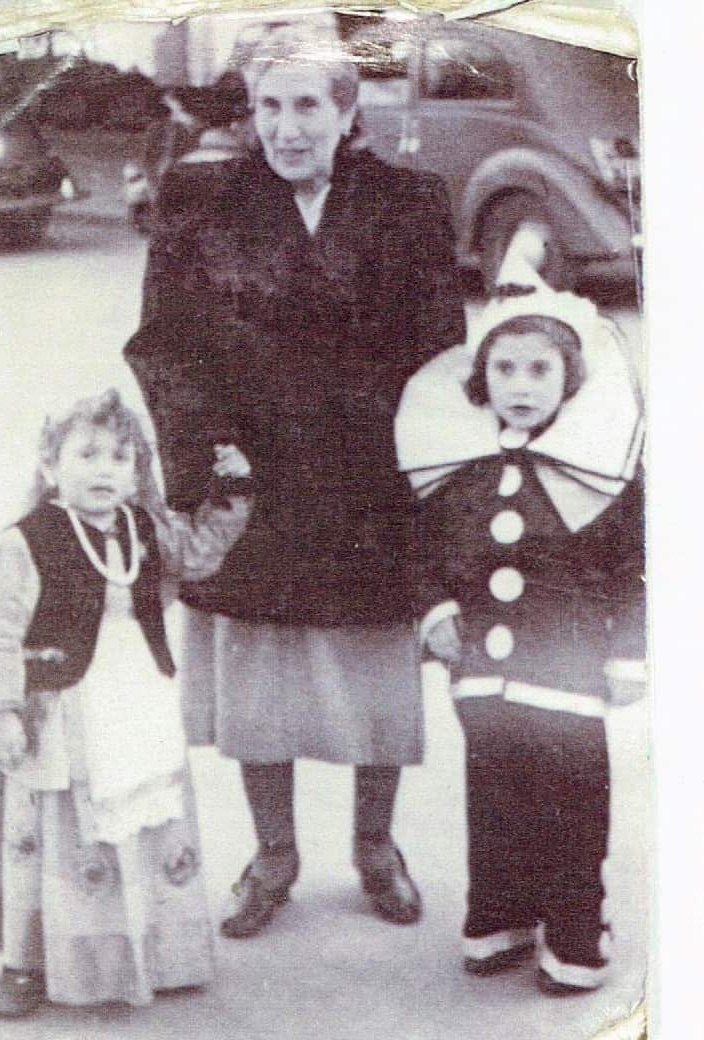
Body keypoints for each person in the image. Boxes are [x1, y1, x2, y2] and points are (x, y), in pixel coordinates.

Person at [124, 27, 466, 938]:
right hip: (254, 483)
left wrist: (430, 473)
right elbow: (163, 348)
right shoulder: (202, 197)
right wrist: (208, 459)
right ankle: (275, 855)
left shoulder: (411, 202)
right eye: (269, 105)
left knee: (376, 679)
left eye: (308, 104)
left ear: (348, 112)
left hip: (370, 488)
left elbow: (439, 353)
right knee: (260, 687)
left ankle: (375, 847)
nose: (285, 127)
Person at [395, 253, 646, 994]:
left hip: (568, 669)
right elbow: (425, 547)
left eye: (540, 371)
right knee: (495, 793)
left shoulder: (603, 469)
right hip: (482, 668)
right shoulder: (462, 463)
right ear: (482, 379)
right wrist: (435, 609)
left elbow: (635, 569)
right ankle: (500, 913)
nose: (521, 387)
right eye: (505, 369)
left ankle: (574, 932)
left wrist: (629, 653)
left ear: (570, 379)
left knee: (570, 804)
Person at [0, 389, 252, 1015]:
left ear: (137, 471)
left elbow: (198, 556)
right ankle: (26, 964)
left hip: (138, 699)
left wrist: (231, 493)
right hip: (64, 711)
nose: (105, 469)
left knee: (147, 826)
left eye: (121, 457)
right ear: (50, 466)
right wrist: (0, 712)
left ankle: (158, 954)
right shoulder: (26, 542)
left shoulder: (144, 527)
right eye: (88, 454)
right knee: (59, 835)